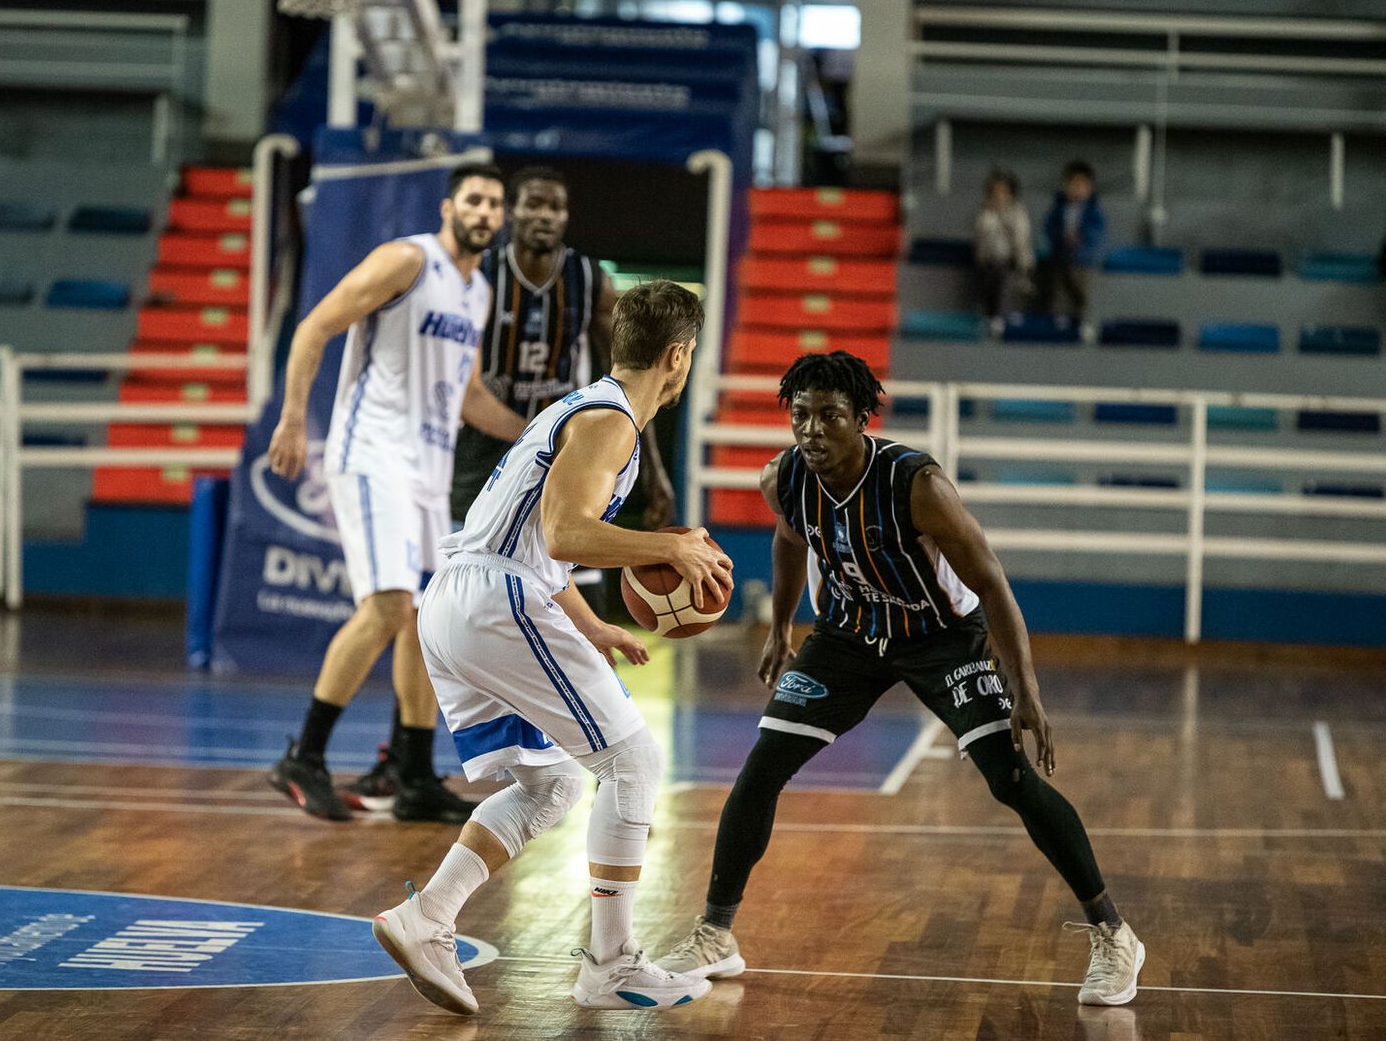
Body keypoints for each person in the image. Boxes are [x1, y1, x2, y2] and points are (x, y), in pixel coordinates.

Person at [655, 351, 1145, 1008]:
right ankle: (715, 933)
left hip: (942, 638)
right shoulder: (786, 479)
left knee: (1013, 778)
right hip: (849, 634)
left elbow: (991, 579)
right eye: (801, 415)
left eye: (829, 415)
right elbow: (789, 541)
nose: (812, 430)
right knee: (762, 766)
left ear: (862, 418)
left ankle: (1114, 933)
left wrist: (1025, 685)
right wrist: (779, 626)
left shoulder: (916, 485)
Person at [370, 280, 732, 1016]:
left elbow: (548, 547)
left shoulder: (581, 408)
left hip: (464, 597)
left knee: (556, 783)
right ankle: (611, 962)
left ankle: (427, 916)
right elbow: (567, 532)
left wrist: (592, 626)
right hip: (496, 598)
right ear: (679, 356)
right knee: (635, 761)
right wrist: (671, 544)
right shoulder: (612, 424)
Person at [345, 166, 679, 813]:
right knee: (449, 593)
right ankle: (405, 753)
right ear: (514, 214)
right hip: (483, 455)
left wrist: (654, 472)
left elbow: (643, 379)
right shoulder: (477, 277)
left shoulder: (588, 281)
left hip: (570, 452)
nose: (544, 216)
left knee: (558, 588)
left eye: (556, 205)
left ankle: (577, 749)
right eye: (532, 205)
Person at [265, 163, 528, 824]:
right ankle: (305, 756)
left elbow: (469, 397)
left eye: (496, 204)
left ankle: (413, 773)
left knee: (425, 624)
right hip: (373, 455)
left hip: (428, 470)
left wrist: (541, 435)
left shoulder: (479, 290)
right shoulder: (407, 260)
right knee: (386, 609)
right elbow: (314, 327)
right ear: (449, 207)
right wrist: (294, 416)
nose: (485, 211)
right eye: (474, 199)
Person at [1039, 161, 1105, 329]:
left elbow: (1096, 231)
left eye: (1082, 185)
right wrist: (1061, 236)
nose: (1077, 189)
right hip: (1060, 255)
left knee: (1080, 290)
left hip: (1082, 258)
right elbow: (1049, 226)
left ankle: (1082, 321)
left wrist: (1081, 238)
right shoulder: (1059, 208)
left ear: (1089, 188)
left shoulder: (1093, 211)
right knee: (1059, 288)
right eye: (1073, 185)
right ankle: (1057, 320)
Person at [974, 169, 1035, 332]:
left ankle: (1002, 317)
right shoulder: (985, 212)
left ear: (1011, 194)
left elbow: (1021, 240)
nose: (999, 196)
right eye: (995, 192)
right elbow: (982, 237)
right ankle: (989, 315)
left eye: (1004, 192)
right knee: (989, 281)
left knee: (1005, 279)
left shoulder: (1018, 212)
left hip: (1013, 260)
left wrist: (1024, 264)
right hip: (989, 261)